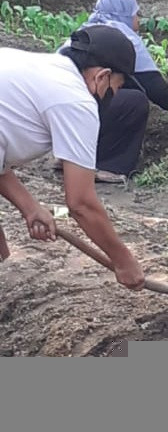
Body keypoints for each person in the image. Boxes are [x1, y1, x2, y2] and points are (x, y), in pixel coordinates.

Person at [0, 25, 147, 288]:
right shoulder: (76, 102)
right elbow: (81, 203)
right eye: (118, 85)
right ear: (102, 77)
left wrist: (30, 208)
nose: (113, 94)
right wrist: (124, 260)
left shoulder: (34, 68)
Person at [59, 0, 168, 183]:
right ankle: (107, 165)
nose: (139, 21)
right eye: (136, 14)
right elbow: (155, 87)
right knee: (134, 101)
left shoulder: (85, 31)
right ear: (125, 14)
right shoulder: (122, 37)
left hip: (59, 112)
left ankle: (68, 156)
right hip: (79, 107)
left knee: (117, 91)